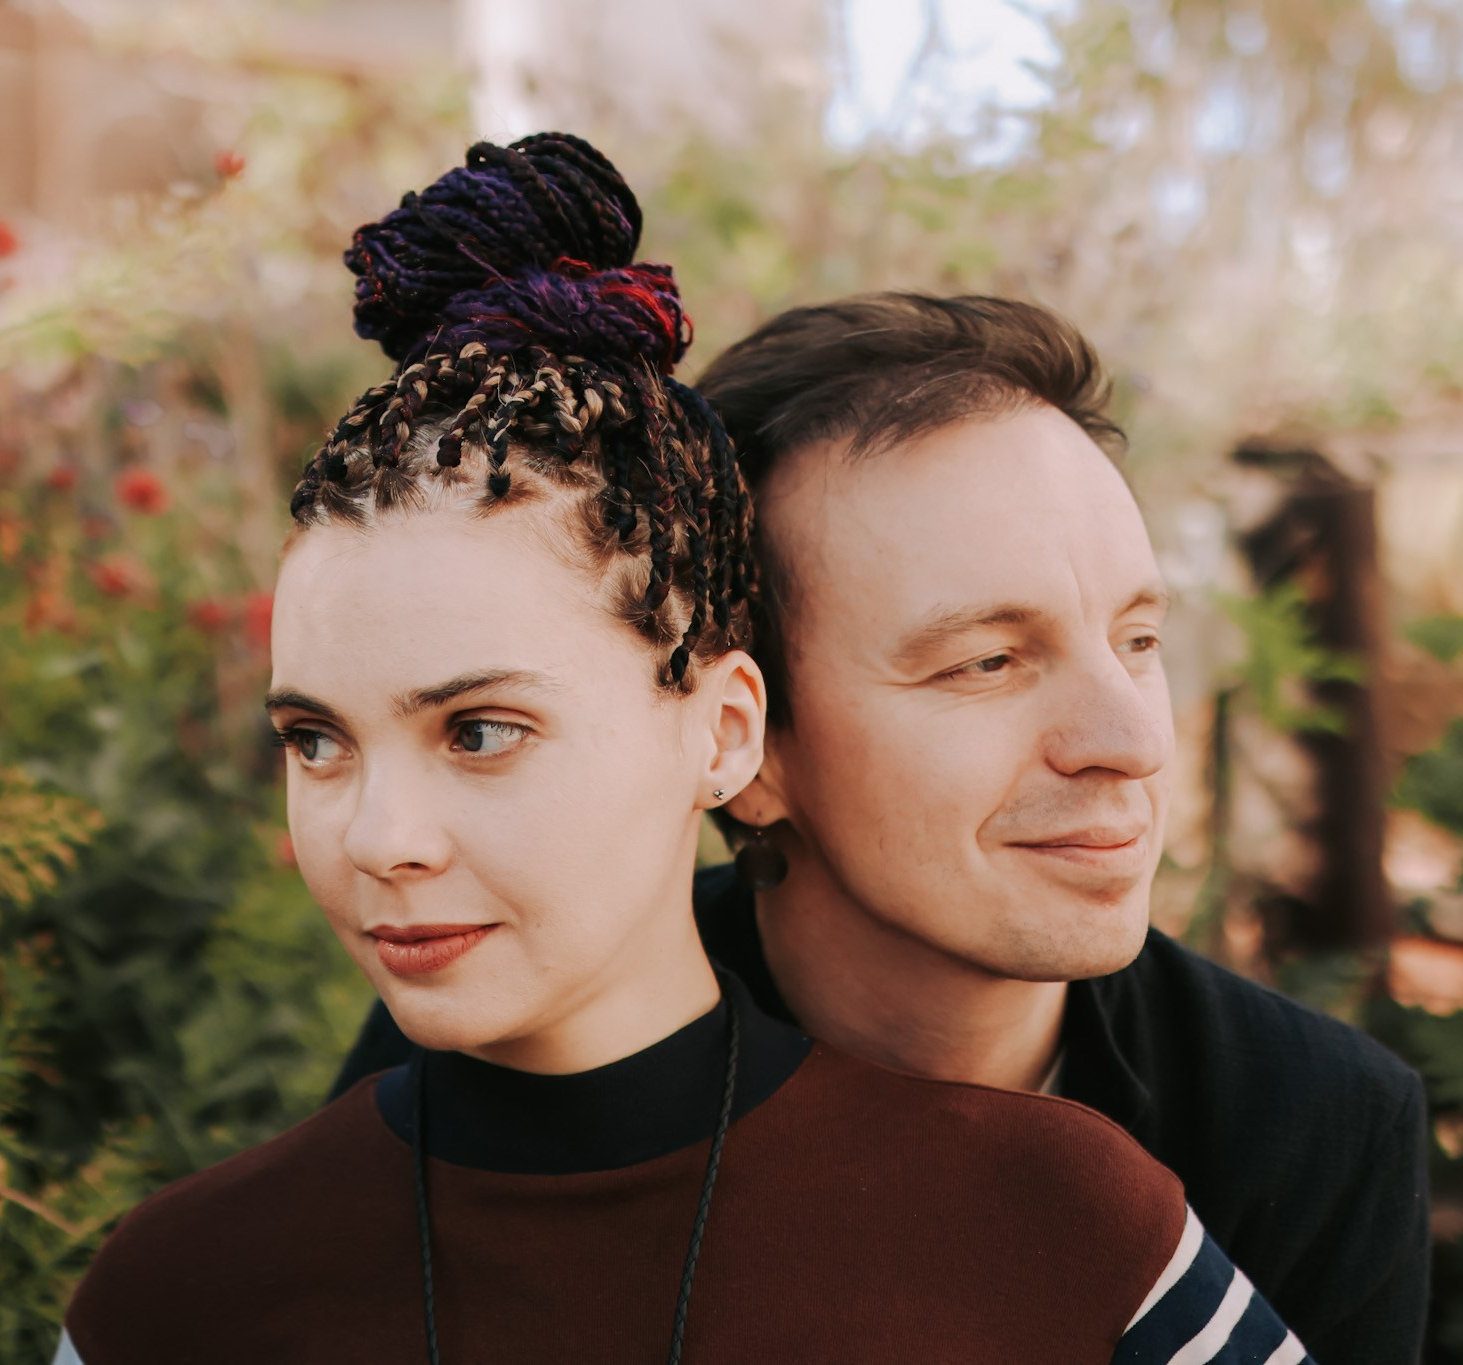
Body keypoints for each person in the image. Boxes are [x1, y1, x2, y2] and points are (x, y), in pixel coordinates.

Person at [59, 134, 1311, 1364]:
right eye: (315, 741)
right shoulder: (176, 1295)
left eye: (481, 731)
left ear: (723, 733)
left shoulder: (1073, 1228)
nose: (378, 839)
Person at [333, 288, 1433, 1359]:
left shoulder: (1308, 1126)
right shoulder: (509, 1049)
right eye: (985, 662)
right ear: (742, 746)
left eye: (1134, 641)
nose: (1129, 741)